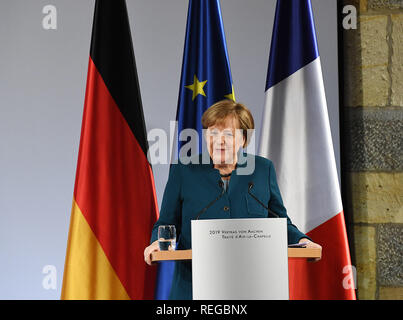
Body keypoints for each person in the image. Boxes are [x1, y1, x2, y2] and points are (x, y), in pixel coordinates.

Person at [144, 99, 321, 300]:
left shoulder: (262, 170)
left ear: (243, 140)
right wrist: (157, 243)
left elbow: (279, 222)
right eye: (212, 133)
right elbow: (166, 223)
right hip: (193, 288)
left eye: (228, 134)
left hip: (252, 288)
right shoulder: (184, 171)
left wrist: (302, 240)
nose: (219, 140)